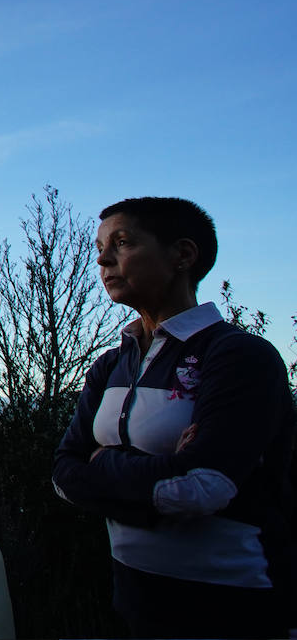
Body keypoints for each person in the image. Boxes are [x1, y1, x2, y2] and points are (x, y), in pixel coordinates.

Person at [52, 197, 295, 639]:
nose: (103, 260)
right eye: (100, 248)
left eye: (122, 243)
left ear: (183, 254)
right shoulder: (110, 365)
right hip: (135, 604)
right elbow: (62, 474)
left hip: (236, 607)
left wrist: (103, 462)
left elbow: (202, 488)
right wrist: (161, 469)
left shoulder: (239, 356)